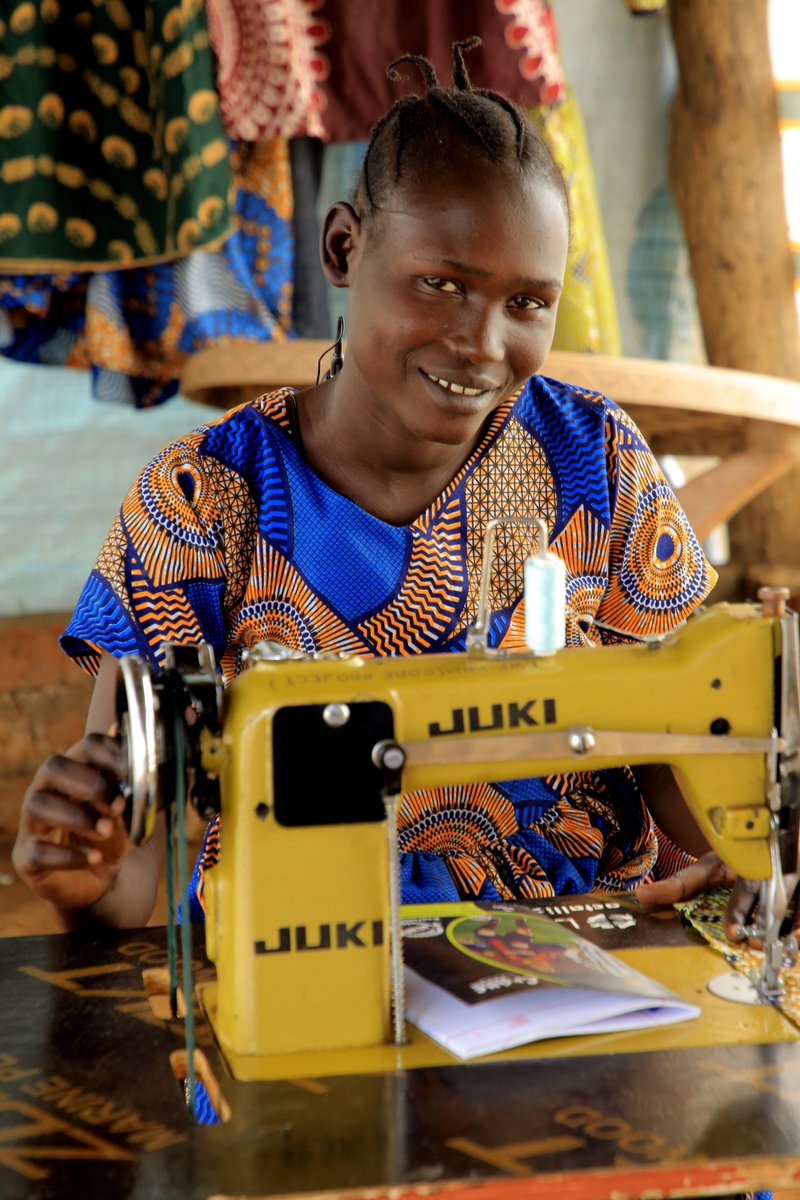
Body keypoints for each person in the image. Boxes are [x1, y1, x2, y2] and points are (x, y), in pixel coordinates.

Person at [13, 38, 733, 932]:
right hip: (309, 943)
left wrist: (753, 862)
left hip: (592, 944)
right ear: (345, 248)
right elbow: (132, 871)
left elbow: (687, 754)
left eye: (528, 303)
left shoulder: (594, 459)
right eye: (440, 283)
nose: (482, 342)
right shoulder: (201, 502)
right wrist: (85, 875)